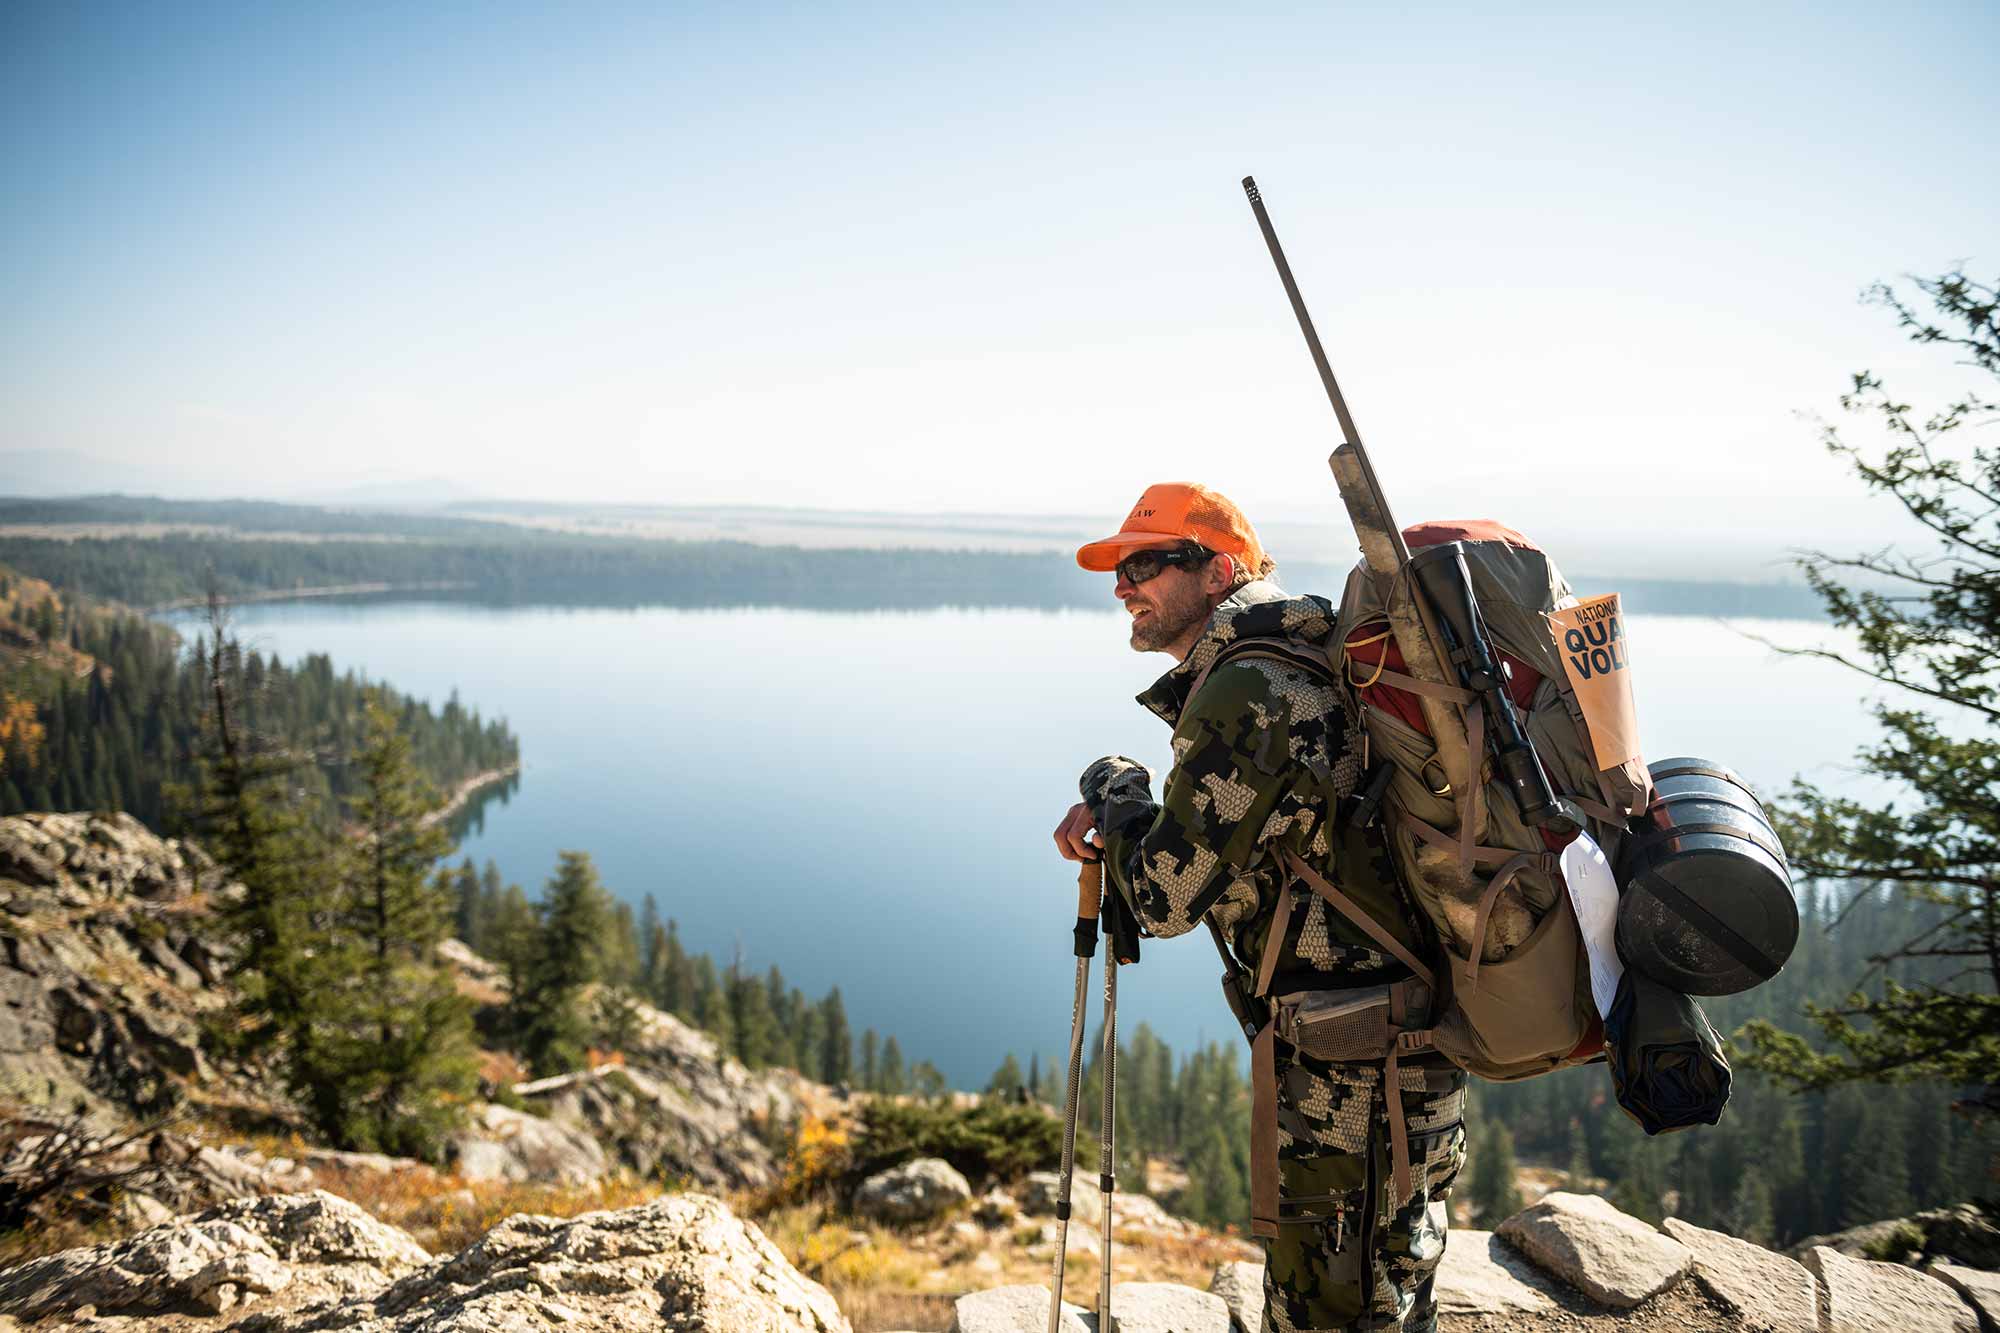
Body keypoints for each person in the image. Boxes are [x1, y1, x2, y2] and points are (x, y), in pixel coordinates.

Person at [1052, 482, 1467, 1333]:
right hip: (1401, 1043)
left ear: (1220, 572)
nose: (1124, 586)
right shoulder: (1311, 652)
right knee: (1390, 1294)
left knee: (1334, 1310)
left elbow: (1165, 895)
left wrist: (1115, 786)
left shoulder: (1254, 689)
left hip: (1349, 1075)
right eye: (1119, 569)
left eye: (1146, 563)